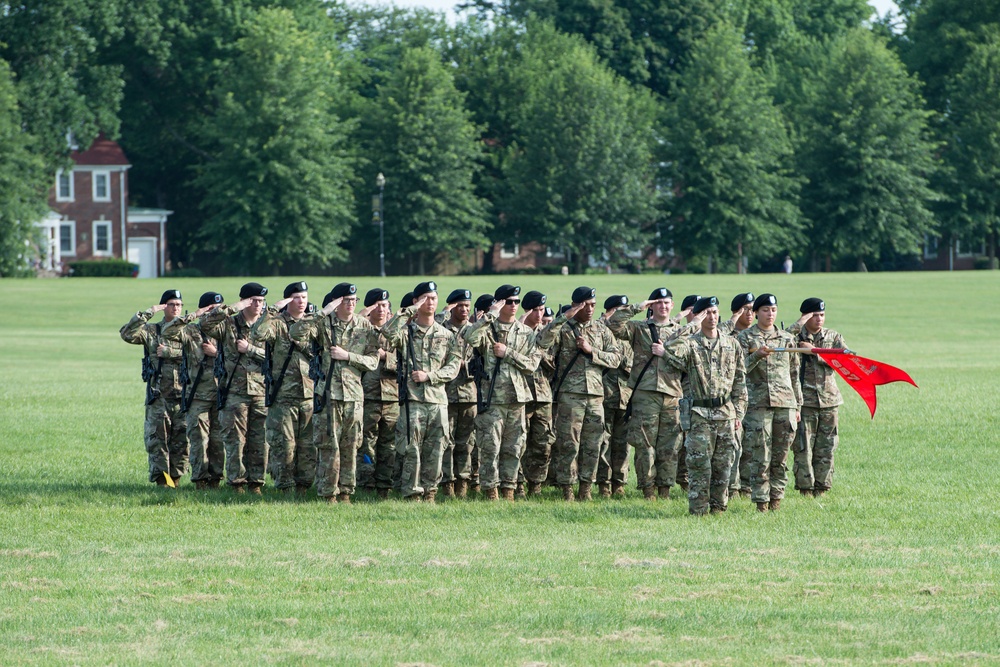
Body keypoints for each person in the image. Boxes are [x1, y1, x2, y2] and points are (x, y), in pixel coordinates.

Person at [606, 288, 700, 499]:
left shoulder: (681, 332)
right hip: (645, 394)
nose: (662, 306)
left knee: (670, 446)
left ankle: (664, 489)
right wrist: (638, 307)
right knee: (644, 444)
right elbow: (613, 324)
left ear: (672, 306)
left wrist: (665, 355)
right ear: (652, 306)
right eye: (658, 302)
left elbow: (686, 364)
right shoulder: (640, 329)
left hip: (672, 394)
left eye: (666, 302)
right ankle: (648, 489)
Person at [292, 283, 379, 504]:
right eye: (346, 300)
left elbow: (373, 360)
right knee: (328, 445)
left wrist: (347, 356)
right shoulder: (324, 324)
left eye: (354, 300)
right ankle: (328, 492)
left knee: (351, 445)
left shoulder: (364, 326)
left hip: (353, 396)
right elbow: (296, 332)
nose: (351, 304)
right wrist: (324, 311)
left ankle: (346, 492)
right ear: (337, 302)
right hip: (328, 394)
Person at [537, 286, 623, 501]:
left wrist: (591, 351)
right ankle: (567, 489)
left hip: (595, 396)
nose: (591, 309)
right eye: (586, 305)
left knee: (593, 444)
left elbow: (616, 359)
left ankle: (586, 488)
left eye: (593, 305)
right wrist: (561, 319)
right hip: (569, 394)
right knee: (569, 444)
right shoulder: (563, 329)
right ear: (577, 305)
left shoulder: (601, 330)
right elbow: (542, 342)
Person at [663, 297, 747, 515]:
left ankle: (719, 509)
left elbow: (740, 382)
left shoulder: (731, 344)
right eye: (707, 313)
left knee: (723, 466)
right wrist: (692, 323)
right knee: (699, 466)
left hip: (726, 413)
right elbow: (669, 347)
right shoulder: (691, 343)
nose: (712, 317)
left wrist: (738, 412)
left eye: (715, 312)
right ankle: (698, 510)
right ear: (700, 316)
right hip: (699, 414)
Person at [382, 282, 461, 502]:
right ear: (417, 301)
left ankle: (431, 492)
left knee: (436, 448)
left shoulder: (446, 335)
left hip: (437, 401)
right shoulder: (406, 333)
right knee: (411, 448)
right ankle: (411, 491)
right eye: (426, 298)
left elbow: (453, 366)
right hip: (413, 401)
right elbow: (387, 332)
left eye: (434, 298)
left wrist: (430, 376)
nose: (431, 302)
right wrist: (409, 310)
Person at [464, 285, 539, 500]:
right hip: (492, 398)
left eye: (516, 301)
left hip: (517, 398)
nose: (514, 305)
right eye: (509, 301)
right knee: (490, 447)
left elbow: (532, 364)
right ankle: (490, 490)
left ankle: (509, 489)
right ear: (499, 303)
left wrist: (508, 354)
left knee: (514, 447)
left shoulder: (525, 332)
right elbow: (470, 338)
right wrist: (489, 316)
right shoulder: (487, 328)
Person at [201, 282, 269, 494]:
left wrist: (251, 350)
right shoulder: (228, 324)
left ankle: (256, 482)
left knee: (259, 441)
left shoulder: (268, 325)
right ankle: (237, 483)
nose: (258, 305)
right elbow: (203, 324)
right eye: (253, 301)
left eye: (261, 301)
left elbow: (276, 357)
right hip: (234, 393)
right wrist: (233, 307)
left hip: (261, 391)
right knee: (234, 441)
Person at [737, 293, 802, 512]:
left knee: (781, 455)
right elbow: (738, 370)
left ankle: (776, 499)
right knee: (760, 454)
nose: (770, 314)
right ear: (756, 313)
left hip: (785, 402)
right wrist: (756, 357)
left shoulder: (786, 338)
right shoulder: (745, 338)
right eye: (765, 310)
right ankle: (761, 501)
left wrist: (798, 405)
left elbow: (794, 374)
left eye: (773, 310)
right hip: (758, 404)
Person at [120, 289, 192, 486]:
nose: (176, 308)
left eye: (179, 305)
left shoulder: (187, 330)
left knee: (181, 440)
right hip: (158, 394)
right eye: (171, 304)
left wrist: (170, 352)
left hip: (183, 394)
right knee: (157, 440)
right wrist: (148, 312)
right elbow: (127, 334)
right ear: (163, 307)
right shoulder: (152, 331)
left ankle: (175, 480)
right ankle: (163, 481)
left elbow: (197, 353)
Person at [252, 281, 316, 496]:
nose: (301, 302)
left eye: (304, 298)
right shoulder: (278, 323)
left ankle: (304, 488)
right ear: (288, 300)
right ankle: (285, 488)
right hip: (283, 396)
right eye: (297, 297)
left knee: (307, 447)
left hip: (309, 395)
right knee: (284, 446)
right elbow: (258, 334)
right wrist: (270, 311)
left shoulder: (312, 323)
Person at [788, 298, 847, 497]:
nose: (819, 319)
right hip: (805, 401)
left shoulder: (833, 336)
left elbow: (845, 360)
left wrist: (814, 352)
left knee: (827, 446)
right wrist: (798, 327)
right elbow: (779, 341)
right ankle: (805, 489)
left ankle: (822, 488)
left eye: (822, 315)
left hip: (829, 400)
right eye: (814, 315)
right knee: (804, 447)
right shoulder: (794, 338)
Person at [180, 291, 226, 490]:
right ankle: (199, 479)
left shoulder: (226, 331)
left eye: (220, 309)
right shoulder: (190, 331)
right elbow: (168, 330)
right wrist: (195, 315)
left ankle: (216, 479)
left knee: (218, 440)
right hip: (197, 395)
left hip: (222, 394)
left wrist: (216, 353)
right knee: (199, 439)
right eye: (212, 309)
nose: (216, 313)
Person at [358, 288, 397, 498]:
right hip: (367, 396)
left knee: (388, 445)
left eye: (385, 305)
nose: (382, 309)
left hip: (392, 397)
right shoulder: (360, 332)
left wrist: (385, 357)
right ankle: (366, 485)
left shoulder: (396, 334)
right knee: (365, 443)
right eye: (377, 305)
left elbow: (407, 364)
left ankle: (385, 486)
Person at [439, 288, 477, 498]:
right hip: (447, 394)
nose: (464, 310)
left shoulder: (475, 330)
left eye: (466, 306)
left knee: (466, 442)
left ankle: (463, 482)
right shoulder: (442, 329)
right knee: (447, 441)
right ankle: (447, 483)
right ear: (452, 307)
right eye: (460, 305)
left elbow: (482, 361)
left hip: (470, 394)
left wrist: (466, 366)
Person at [519, 290, 556, 496]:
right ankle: (517, 485)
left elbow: (553, 364)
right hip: (520, 394)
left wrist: (539, 353)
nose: (540, 314)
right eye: (536, 310)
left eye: (542, 309)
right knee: (519, 443)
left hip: (542, 395)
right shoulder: (516, 332)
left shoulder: (547, 334)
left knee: (543, 443)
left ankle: (536, 485)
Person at [597, 295, 634, 497]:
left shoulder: (628, 335)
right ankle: (603, 483)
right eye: (618, 311)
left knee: (623, 443)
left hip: (625, 396)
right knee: (603, 442)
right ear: (608, 313)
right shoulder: (598, 331)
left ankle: (619, 483)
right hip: (604, 395)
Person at [720, 292, 755, 496]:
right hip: (733, 399)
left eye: (753, 310)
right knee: (733, 446)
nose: (750, 314)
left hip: (757, 398)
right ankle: (731, 488)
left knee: (752, 445)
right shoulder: (727, 337)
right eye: (745, 309)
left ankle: (747, 487)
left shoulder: (761, 335)